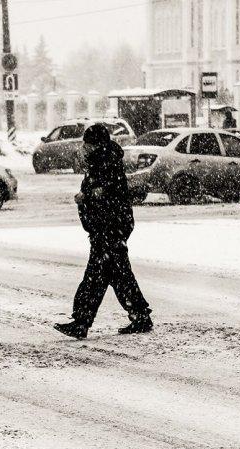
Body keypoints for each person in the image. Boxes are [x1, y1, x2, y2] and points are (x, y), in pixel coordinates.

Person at [54, 124, 153, 340]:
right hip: (111, 227)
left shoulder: (105, 164)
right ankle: (140, 316)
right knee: (118, 275)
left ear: (96, 144)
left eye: (87, 143)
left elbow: (106, 197)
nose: (84, 147)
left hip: (109, 228)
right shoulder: (103, 162)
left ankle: (82, 322)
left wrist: (85, 199)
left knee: (96, 277)